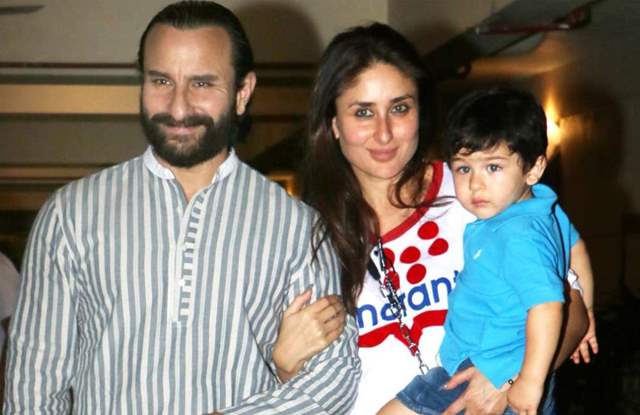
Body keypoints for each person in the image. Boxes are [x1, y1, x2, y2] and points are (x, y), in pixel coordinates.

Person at [3, 2, 359, 414]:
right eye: (161, 81)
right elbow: (33, 387)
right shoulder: (70, 216)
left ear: (242, 92)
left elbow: (334, 378)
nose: (177, 107)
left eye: (202, 83)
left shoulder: (297, 228)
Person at [271, 23, 590, 414]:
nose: (384, 133)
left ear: (420, 111)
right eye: (363, 112)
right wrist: (285, 367)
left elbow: (570, 310)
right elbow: (308, 393)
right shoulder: (306, 241)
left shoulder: (476, 190)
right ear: (334, 124)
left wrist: (508, 380)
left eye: (400, 108)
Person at [378, 87, 596, 415]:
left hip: (484, 366)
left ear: (534, 168)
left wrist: (528, 381)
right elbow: (577, 249)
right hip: (494, 363)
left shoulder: (517, 235)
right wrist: (588, 312)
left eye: (493, 167)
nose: (476, 184)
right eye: (464, 169)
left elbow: (547, 305)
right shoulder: (543, 207)